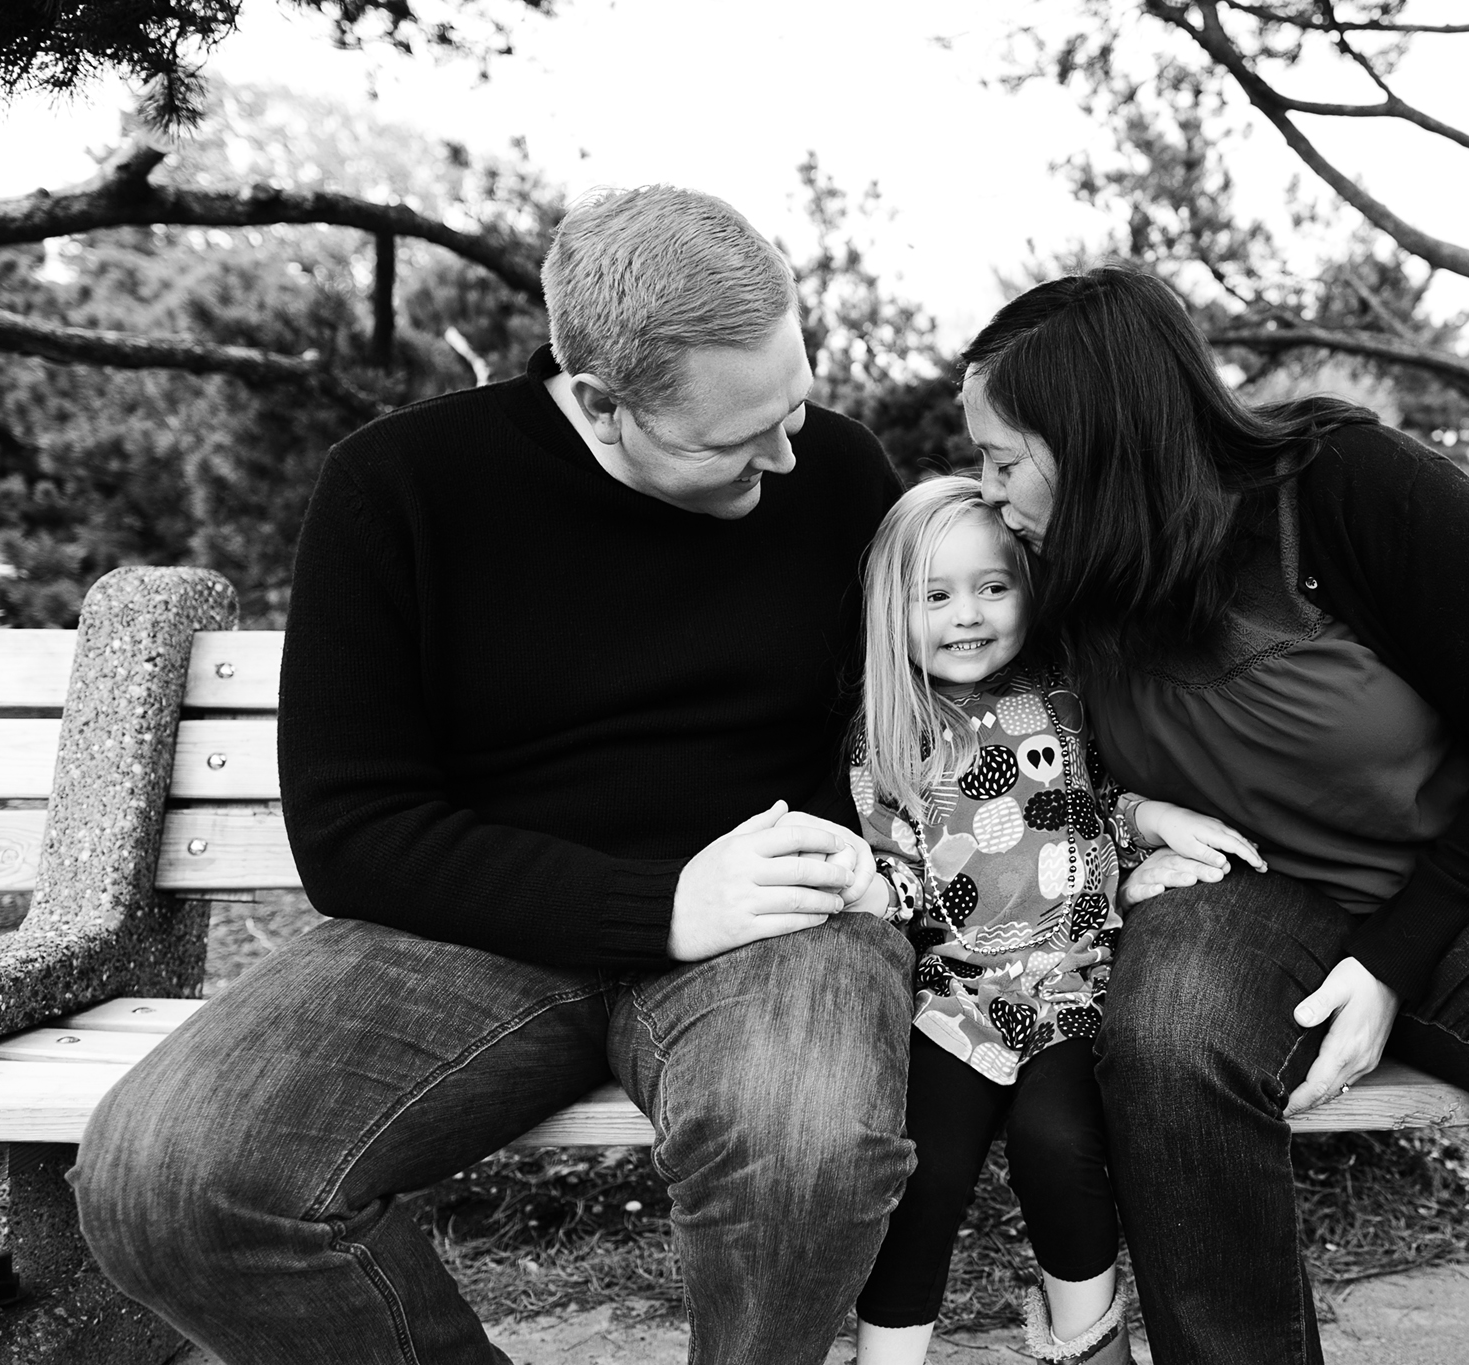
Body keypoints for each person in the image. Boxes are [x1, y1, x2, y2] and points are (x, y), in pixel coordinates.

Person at [69, 186, 913, 1365]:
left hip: (776, 914)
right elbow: (352, 830)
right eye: (735, 440)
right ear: (605, 405)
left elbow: (938, 706)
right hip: (468, 933)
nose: (787, 454)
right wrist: (658, 907)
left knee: (808, 1143)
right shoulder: (398, 486)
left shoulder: (834, 470)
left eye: (795, 406)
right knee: (168, 1179)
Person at [960, 265, 1469, 1365]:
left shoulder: (1353, 489)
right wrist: (1128, 821)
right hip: (1248, 892)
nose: (987, 491)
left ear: (1097, 440)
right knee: (1165, 1052)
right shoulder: (1053, 565)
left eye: (1003, 460)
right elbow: (991, 761)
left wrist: (1388, 964)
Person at [846, 477, 1261, 1365]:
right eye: (937, 594)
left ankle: (1089, 1344)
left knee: (1059, 1142)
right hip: (955, 1003)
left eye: (993, 586)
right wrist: (870, 890)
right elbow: (901, 876)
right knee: (918, 1172)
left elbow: (1100, 803)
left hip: (1079, 988)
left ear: (1029, 588)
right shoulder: (890, 736)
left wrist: (1152, 825)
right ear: (894, 608)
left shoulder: (1067, 696)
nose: (968, 614)